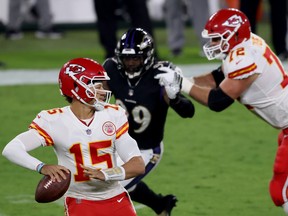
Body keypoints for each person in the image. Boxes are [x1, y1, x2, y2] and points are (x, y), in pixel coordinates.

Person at [171, 8, 288, 214]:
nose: (213, 44)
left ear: (234, 35)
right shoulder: (244, 46)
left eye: (217, 39)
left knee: (281, 191)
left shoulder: (245, 57)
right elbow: (217, 78)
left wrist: (182, 85)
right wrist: (182, 78)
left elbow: (218, 101)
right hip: (285, 126)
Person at [2, 57, 145, 216]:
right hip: (80, 201)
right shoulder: (53, 120)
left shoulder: (113, 114)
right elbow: (11, 149)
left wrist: (105, 174)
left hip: (116, 198)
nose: (103, 91)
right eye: (97, 86)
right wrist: (42, 167)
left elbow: (137, 165)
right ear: (77, 87)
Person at [102, 28, 195, 215]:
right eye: (126, 58)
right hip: (118, 142)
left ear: (147, 56)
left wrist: (175, 97)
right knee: (111, 182)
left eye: (135, 58)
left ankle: (160, 205)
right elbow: (98, 100)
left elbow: (188, 111)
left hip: (146, 149)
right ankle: (161, 205)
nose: (129, 63)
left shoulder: (160, 75)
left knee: (110, 189)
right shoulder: (111, 68)